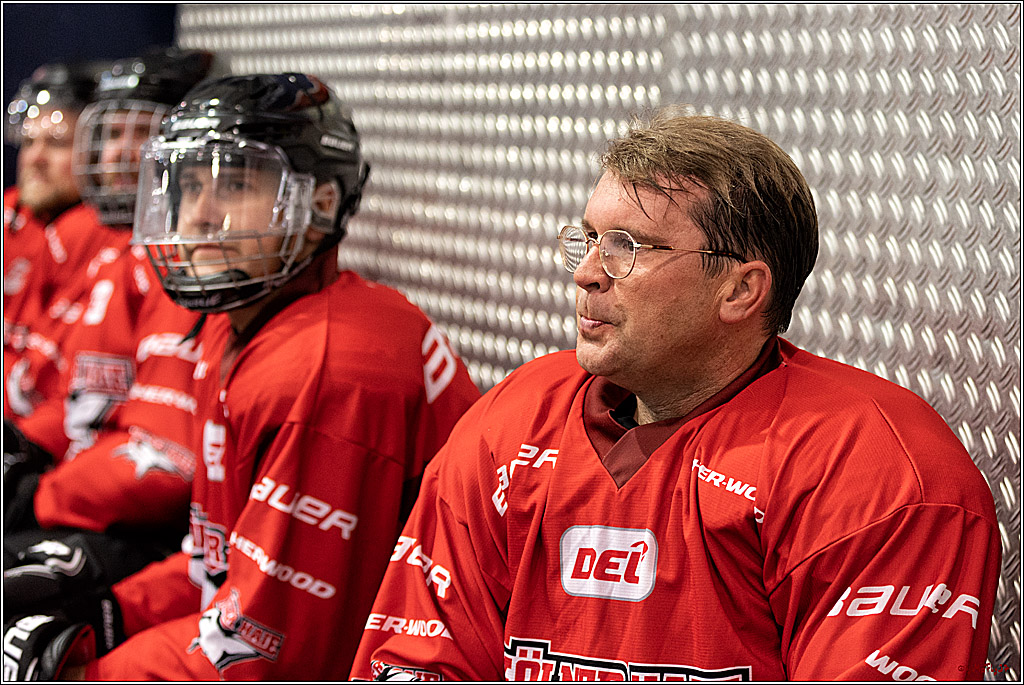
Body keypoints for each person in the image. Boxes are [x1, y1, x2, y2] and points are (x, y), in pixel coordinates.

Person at [351, 109, 1002, 681]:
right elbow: (416, 661)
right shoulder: (511, 422)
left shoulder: (880, 474)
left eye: (628, 248)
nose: (585, 274)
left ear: (741, 290)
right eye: (589, 239)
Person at [1, 73, 481, 681]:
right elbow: (218, 568)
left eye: (234, 184)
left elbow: (267, 651)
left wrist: (88, 672)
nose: (198, 217)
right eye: (190, 184)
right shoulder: (245, 326)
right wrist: (110, 612)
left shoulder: (325, 368)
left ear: (320, 204)